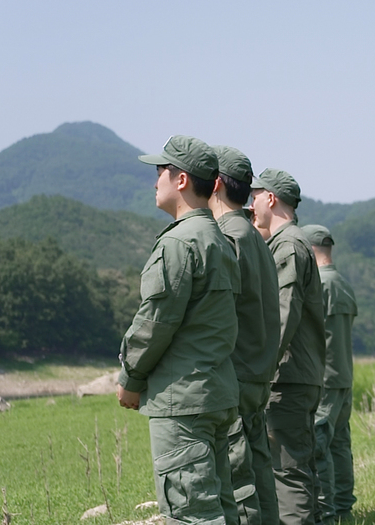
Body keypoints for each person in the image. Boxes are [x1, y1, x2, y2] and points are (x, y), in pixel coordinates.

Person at [116, 135, 242, 525]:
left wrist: (130, 378)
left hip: (182, 399)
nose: (155, 182)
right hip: (215, 391)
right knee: (221, 507)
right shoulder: (219, 240)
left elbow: (155, 322)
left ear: (181, 179)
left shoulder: (179, 243)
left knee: (192, 514)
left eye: (160, 172)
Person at [210, 146, 283, 525]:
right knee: (259, 471)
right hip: (257, 372)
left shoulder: (227, 237)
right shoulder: (255, 237)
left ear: (215, 183)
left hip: (236, 374)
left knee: (238, 481)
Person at [249, 168, 327, 525]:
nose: (251, 204)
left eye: (255, 196)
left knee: (287, 472)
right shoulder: (291, 242)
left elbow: (283, 312)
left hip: (287, 377)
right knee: (297, 468)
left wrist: (260, 369)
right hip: (296, 375)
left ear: (270, 198)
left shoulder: (288, 245)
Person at [303, 224, 358, 525]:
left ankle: (326, 513)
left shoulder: (319, 285)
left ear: (309, 250)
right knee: (339, 445)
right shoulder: (343, 284)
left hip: (323, 378)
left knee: (319, 447)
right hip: (343, 377)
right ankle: (343, 509)